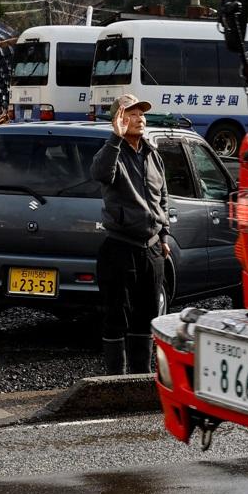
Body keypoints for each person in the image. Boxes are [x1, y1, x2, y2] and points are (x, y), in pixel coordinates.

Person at [90, 94, 171, 375]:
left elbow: (162, 197)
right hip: (119, 248)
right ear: (118, 120)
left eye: (141, 113)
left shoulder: (152, 154)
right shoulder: (111, 152)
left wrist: (163, 236)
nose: (140, 119)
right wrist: (115, 138)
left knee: (146, 317)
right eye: (132, 114)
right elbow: (100, 173)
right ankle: (116, 382)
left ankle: (139, 380)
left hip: (151, 249)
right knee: (116, 317)